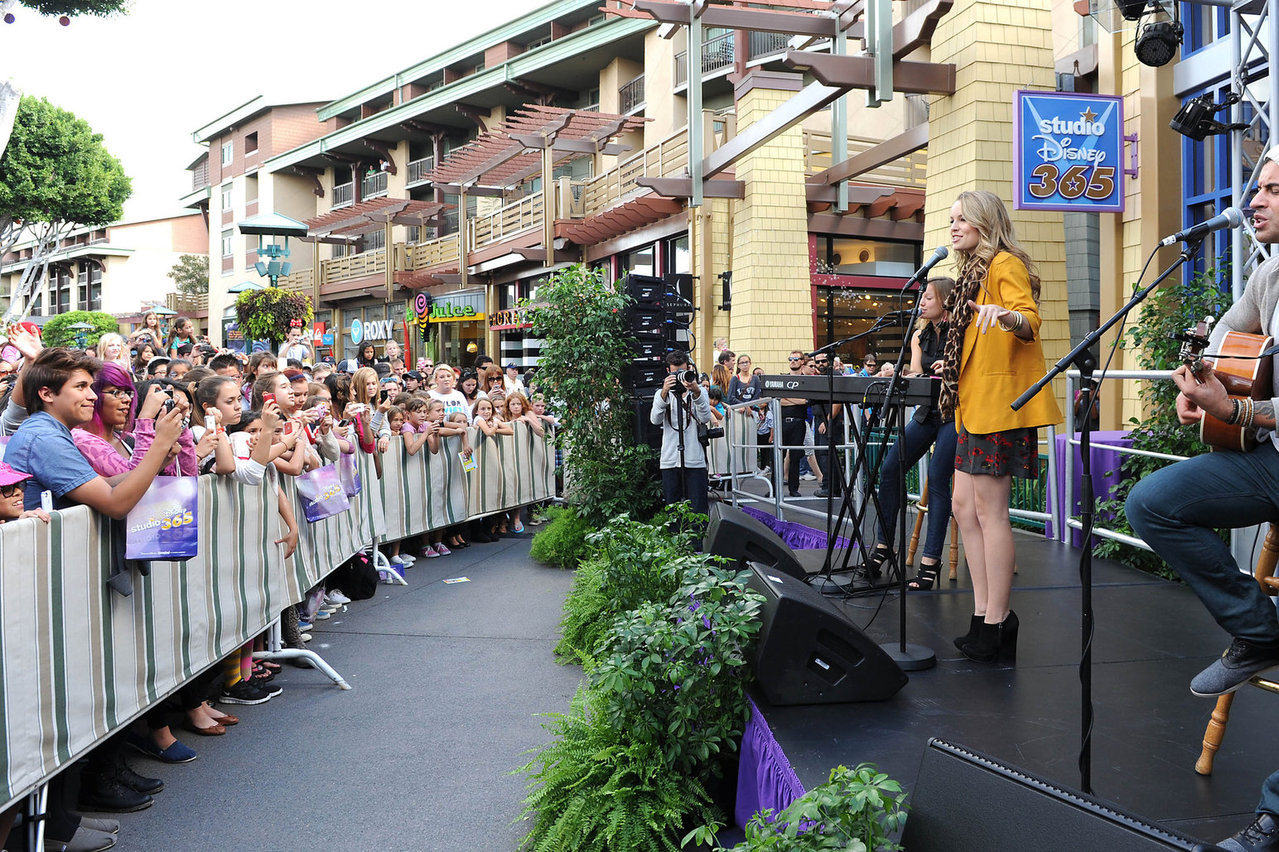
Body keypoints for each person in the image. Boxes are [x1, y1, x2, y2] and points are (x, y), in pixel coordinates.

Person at [1126, 150, 1279, 705]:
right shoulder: (1271, 274)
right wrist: (1195, 384)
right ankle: (1261, 632)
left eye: (1274, 191)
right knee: (1150, 503)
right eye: (1257, 187)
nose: (1255, 201)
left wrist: (1234, 410)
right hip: (1271, 459)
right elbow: (1224, 335)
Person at [942, 189, 1061, 664]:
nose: (953, 227)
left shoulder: (1003, 265)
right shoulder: (970, 272)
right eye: (951, 220)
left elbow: (1030, 320)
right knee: (962, 507)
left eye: (961, 219)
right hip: (972, 407)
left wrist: (1006, 316)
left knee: (991, 512)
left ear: (984, 222)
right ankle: (981, 614)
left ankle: (998, 621)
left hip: (999, 407)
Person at [861, 276, 958, 590]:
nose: (922, 303)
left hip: (956, 413)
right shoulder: (920, 335)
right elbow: (917, 373)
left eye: (928, 297)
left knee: (937, 478)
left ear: (944, 300)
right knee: (890, 469)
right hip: (927, 412)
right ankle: (884, 546)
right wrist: (900, 373)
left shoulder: (961, 332)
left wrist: (952, 367)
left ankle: (930, 562)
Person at [649, 350, 712, 515]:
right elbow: (655, 420)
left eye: (682, 371)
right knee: (673, 510)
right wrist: (664, 392)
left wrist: (697, 392)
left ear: (689, 369)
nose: (678, 376)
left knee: (698, 510)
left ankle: (698, 541)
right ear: (668, 372)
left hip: (694, 459)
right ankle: (676, 539)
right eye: (675, 372)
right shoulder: (662, 394)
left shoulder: (699, 391)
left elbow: (705, 418)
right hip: (670, 460)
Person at [777, 351, 810, 499]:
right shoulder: (783, 379)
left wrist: (788, 398)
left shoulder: (806, 380)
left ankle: (793, 488)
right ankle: (774, 487)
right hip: (783, 421)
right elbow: (778, 400)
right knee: (778, 456)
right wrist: (795, 399)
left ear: (802, 361)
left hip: (798, 422)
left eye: (796, 359)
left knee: (795, 456)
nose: (793, 361)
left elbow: (805, 401)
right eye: (791, 358)